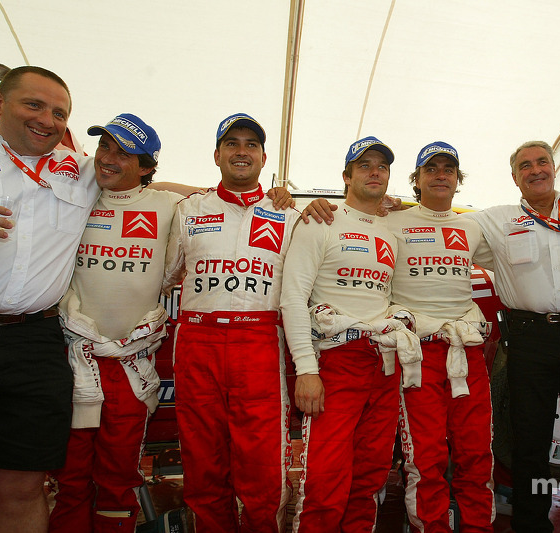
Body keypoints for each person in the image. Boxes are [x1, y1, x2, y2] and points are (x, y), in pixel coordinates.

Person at [0, 66, 100, 533]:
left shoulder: (85, 173)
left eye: (60, 112)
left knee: (23, 488)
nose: (48, 119)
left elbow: (161, 189)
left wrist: (271, 197)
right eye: (34, 104)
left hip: (36, 344)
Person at [464, 141, 560, 533]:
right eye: (525, 166)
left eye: (542, 162)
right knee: (529, 441)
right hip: (530, 340)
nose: (535, 170)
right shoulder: (494, 220)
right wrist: (392, 211)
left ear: (553, 166)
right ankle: (531, 524)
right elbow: (440, 223)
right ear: (514, 177)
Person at [47, 114, 182, 532]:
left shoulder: (168, 206)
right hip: (73, 360)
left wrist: (282, 194)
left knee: (118, 476)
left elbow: (220, 199)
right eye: (104, 147)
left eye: (123, 153)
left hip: (129, 365)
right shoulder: (72, 193)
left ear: (146, 167)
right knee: (68, 476)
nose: (107, 159)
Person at [162, 113, 297, 532]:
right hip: (198, 337)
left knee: (261, 464)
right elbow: (166, 275)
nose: (242, 151)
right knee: (203, 461)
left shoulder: (290, 214)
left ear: (263, 156)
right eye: (233, 143)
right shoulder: (188, 210)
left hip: (258, 340)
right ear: (217, 154)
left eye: (251, 144)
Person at [281, 137, 422, 532]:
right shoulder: (319, 220)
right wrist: (306, 369)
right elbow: (292, 298)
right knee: (324, 482)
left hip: (385, 363)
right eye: (364, 166)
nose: (374, 171)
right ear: (346, 176)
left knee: (370, 479)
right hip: (335, 363)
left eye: (382, 166)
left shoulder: (393, 227)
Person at [388, 142, 496, 531]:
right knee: (426, 458)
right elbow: (350, 217)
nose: (440, 175)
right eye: (430, 169)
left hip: (467, 353)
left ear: (457, 180)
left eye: (448, 169)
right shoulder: (390, 221)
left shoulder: (473, 226)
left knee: (477, 454)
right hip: (416, 356)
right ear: (416, 180)